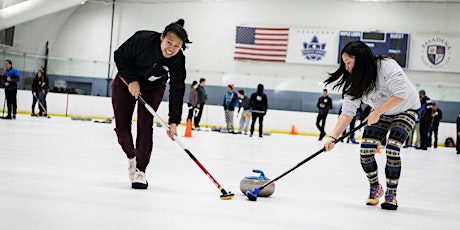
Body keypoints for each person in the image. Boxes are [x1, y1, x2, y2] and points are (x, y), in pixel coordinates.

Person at [323, 41, 420, 210]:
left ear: (360, 60)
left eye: (349, 63)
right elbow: (347, 111)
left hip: (406, 108)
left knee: (392, 148)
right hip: (380, 112)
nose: (346, 68)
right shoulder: (355, 81)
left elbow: (400, 94)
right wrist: (333, 136)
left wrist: (377, 112)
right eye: (344, 63)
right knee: (365, 151)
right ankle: (375, 188)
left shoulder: (387, 66)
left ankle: (391, 194)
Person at [111, 19, 191, 189]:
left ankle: (140, 170)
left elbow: (177, 88)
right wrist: (132, 81)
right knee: (122, 127)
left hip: (153, 88)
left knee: (145, 124)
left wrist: (174, 121)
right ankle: (132, 157)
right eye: (169, 42)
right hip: (126, 82)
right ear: (162, 37)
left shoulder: (178, 61)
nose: (171, 48)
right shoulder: (143, 39)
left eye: (177, 46)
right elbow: (119, 55)